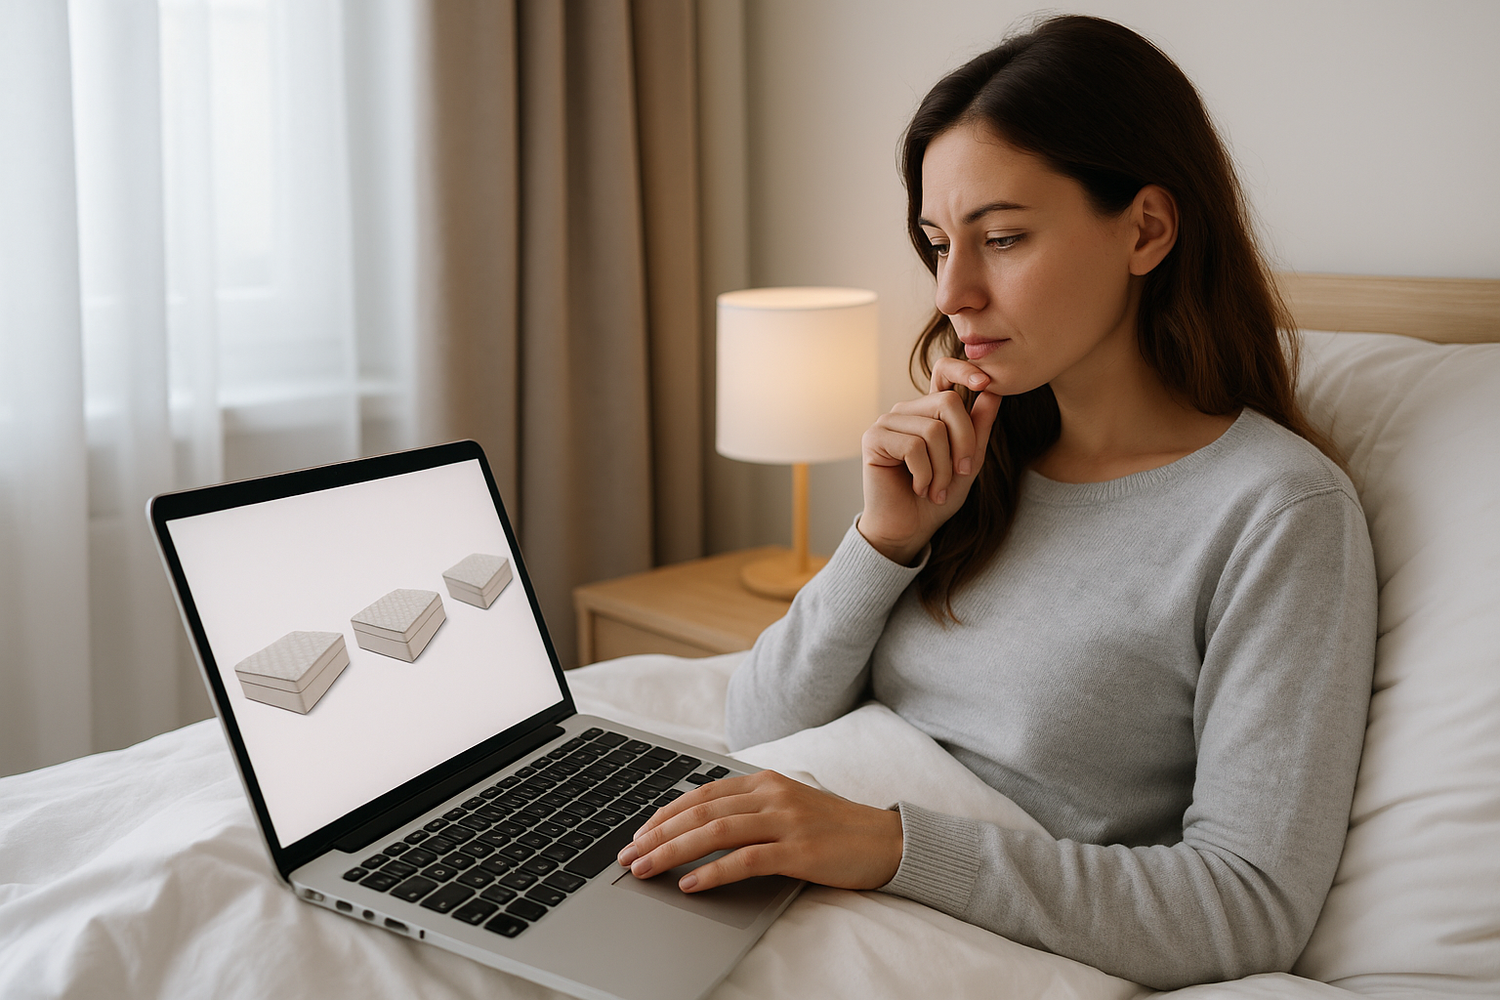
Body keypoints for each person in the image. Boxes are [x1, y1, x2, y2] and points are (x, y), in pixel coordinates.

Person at [614, 14, 1377, 990]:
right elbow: (759, 724)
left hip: (939, 935)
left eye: (1003, 238)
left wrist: (889, 845)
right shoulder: (972, 466)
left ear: (1146, 229)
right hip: (784, 874)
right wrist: (885, 541)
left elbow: (1248, 907)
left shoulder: (1278, 512)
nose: (953, 291)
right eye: (938, 244)